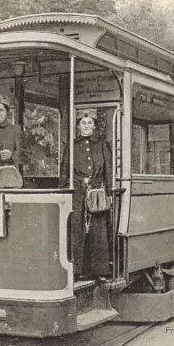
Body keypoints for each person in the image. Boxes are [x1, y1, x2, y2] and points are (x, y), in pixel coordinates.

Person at [60, 110, 113, 282]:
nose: (86, 126)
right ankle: (76, 270)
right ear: (78, 126)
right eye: (83, 123)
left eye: (90, 123)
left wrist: (110, 191)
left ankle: (100, 271)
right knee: (77, 228)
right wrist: (63, 190)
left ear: (94, 126)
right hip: (77, 190)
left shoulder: (102, 144)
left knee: (98, 229)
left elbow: (109, 170)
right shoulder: (73, 145)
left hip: (97, 189)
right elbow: (65, 170)